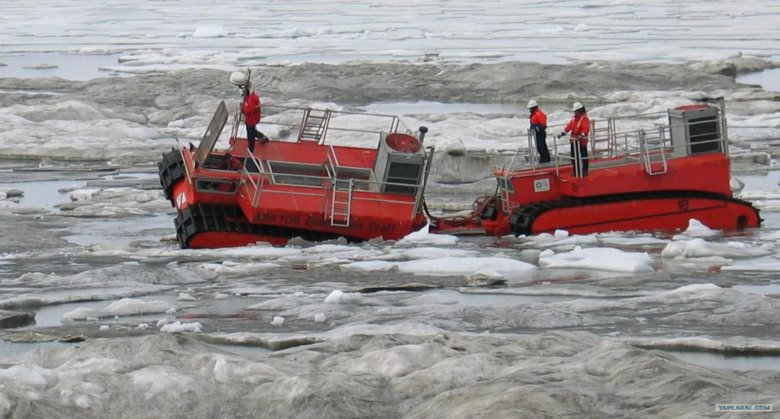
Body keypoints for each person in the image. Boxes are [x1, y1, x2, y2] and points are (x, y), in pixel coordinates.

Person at [559, 101, 590, 177]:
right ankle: (576, 171)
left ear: (580, 110)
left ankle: (584, 171)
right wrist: (563, 132)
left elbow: (586, 128)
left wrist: (582, 135)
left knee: (584, 156)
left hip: (581, 141)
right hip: (574, 140)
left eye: (576, 111)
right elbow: (569, 126)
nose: (575, 112)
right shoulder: (574, 119)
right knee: (573, 157)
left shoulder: (584, 118)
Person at [242, 86, 265, 153]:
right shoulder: (251, 97)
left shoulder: (252, 99)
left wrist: (243, 109)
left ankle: (250, 150)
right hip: (250, 118)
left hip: (252, 118)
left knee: (250, 135)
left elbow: (249, 110)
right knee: (250, 130)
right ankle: (262, 137)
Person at [527, 99, 551, 163]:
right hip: (536, 134)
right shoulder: (534, 114)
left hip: (540, 133)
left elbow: (543, 125)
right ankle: (543, 159)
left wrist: (535, 129)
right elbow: (533, 124)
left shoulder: (539, 114)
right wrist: (531, 129)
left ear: (533, 108)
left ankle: (546, 160)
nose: (529, 110)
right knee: (539, 148)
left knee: (542, 147)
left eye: (530, 108)